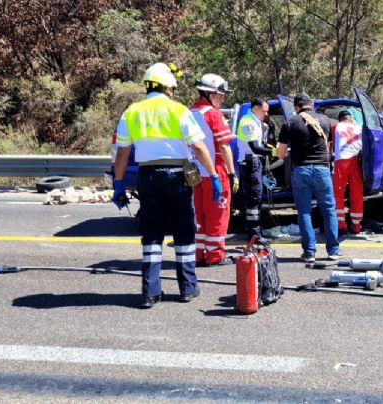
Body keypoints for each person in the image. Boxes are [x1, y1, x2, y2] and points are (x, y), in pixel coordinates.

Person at [112, 62, 219, 309]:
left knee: (151, 233)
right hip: (176, 175)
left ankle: (150, 292)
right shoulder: (179, 110)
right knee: (184, 231)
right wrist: (212, 176)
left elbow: (122, 153)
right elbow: (199, 146)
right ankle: (187, 289)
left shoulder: (131, 112)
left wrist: (118, 184)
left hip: (147, 175)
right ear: (168, 87)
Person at [276, 92, 341, 262]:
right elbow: (328, 148)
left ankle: (309, 252)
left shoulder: (290, 122)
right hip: (322, 169)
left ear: (296, 107)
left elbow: (281, 154)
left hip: (301, 170)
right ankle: (333, 251)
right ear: (311, 104)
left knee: (304, 211)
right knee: (329, 210)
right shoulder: (326, 120)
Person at [190, 74, 238, 266]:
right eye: (221, 95)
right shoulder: (213, 114)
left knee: (199, 213)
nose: (223, 99)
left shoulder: (189, 112)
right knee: (218, 213)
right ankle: (216, 255)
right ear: (210, 94)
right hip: (215, 170)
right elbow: (224, 146)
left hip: (194, 172)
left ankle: (200, 253)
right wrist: (232, 172)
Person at [236, 98, 273, 239]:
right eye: (264, 111)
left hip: (253, 162)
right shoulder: (248, 122)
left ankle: (255, 232)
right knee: (254, 199)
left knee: (255, 199)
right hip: (250, 164)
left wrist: (267, 148)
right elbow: (255, 147)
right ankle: (254, 235)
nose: (266, 113)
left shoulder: (255, 121)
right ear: (255, 108)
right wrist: (273, 152)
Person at [332, 110, 364, 234]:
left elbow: (332, 144)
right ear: (350, 119)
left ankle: (341, 225)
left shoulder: (336, 126)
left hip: (342, 162)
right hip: (356, 162)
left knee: (338, 193)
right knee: (356, 194)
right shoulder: (358, 127)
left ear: (340, 119)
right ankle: (356, 225)